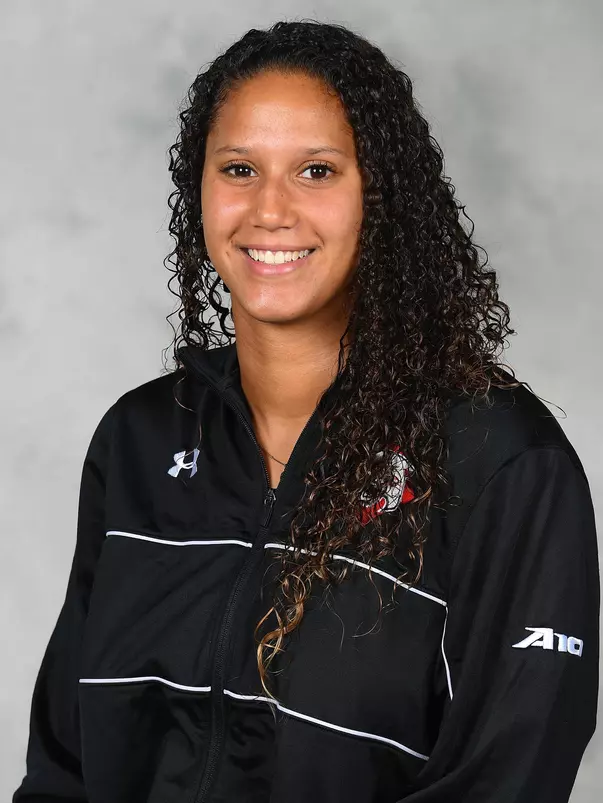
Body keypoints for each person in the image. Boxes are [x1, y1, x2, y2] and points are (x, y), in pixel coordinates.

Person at [13, 19, 599, 803]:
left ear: (380, 198)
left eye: (317, 170)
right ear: (200, 189)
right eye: (239, 168)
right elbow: (64, 766)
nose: (270, 209)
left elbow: (508, 776)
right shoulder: (140, 438)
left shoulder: (497, 459)